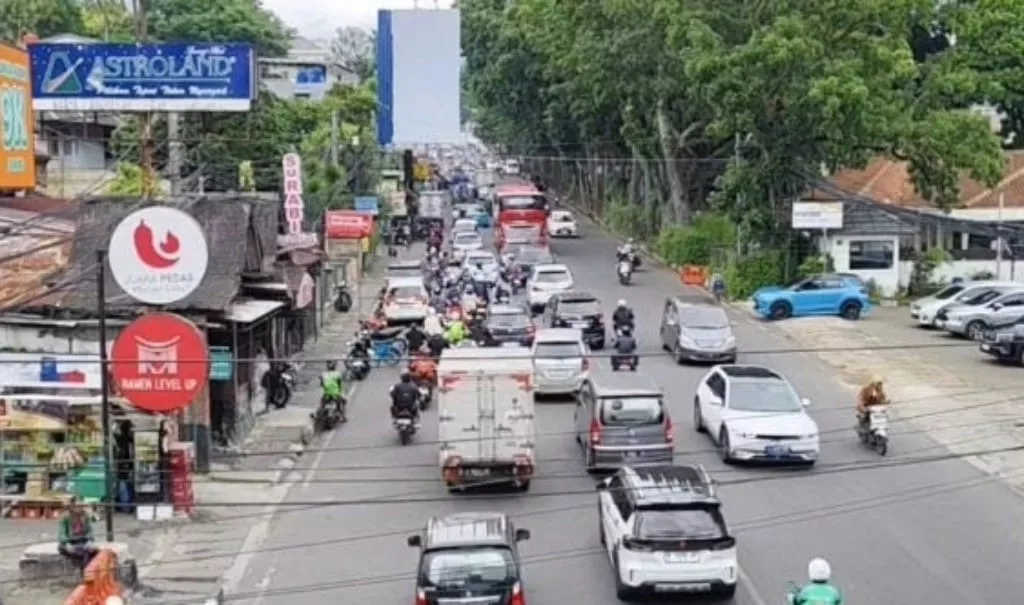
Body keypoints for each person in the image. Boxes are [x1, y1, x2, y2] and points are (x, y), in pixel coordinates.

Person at [58, 497, 97, 570]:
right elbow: (61, 534)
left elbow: (90, 530)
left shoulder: (85, 515)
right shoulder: (65, 517)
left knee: (93, 550)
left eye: (81, 506)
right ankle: (84, 570)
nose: (79, 508)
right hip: (70, 542)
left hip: (83, 541)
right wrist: (66, 543)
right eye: (77, 506)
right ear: (72, 506)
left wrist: (90, 540)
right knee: (75, 552)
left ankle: (88, 571)